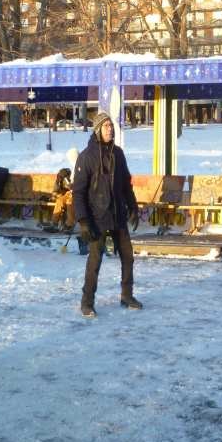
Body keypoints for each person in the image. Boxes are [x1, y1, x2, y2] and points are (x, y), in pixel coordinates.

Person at [73, 112, 142, 317]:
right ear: (97, 130)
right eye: (106, 126)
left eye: (111, 125)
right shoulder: (86, 157)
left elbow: (126, 184)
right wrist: (84, 221)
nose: (110, 129)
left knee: (128, 257)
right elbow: (78, 192)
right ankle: (87, 302)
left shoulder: (118, 154)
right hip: (97, 216)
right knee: (95, 261)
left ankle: (127, 295)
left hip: (117, 213)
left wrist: (133, 207)